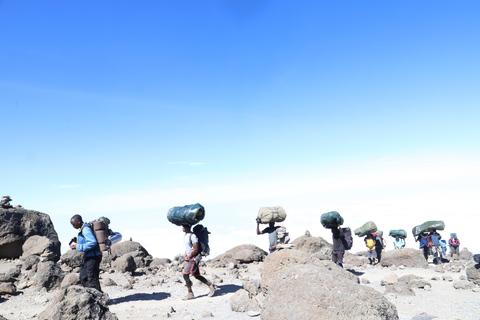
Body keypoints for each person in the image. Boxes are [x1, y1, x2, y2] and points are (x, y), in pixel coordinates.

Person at [181, 225, 216, 300]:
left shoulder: (193, 236)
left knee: (185, 275)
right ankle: (211, 286)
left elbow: (195, 249)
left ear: (188, 227)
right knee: (196, 275)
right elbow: (188, 247)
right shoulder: (186, 235)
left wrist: (189, 256)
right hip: (191, 257)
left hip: (194, 258)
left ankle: (190, 294)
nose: (182, 227)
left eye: (184, 226)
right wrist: (185, 255)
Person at [70, 214, 103, 292]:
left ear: (79, 221)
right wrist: (77, 241)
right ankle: (94, 294)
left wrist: (77, 247)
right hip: (89, 256)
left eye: (73, 224)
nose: (73, 226)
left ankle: (98, 297)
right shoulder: (83, 229)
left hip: (93, 256)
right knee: (83, 277)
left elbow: (92, 242)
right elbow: (86, 241)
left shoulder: (85, 229)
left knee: (91, 277)